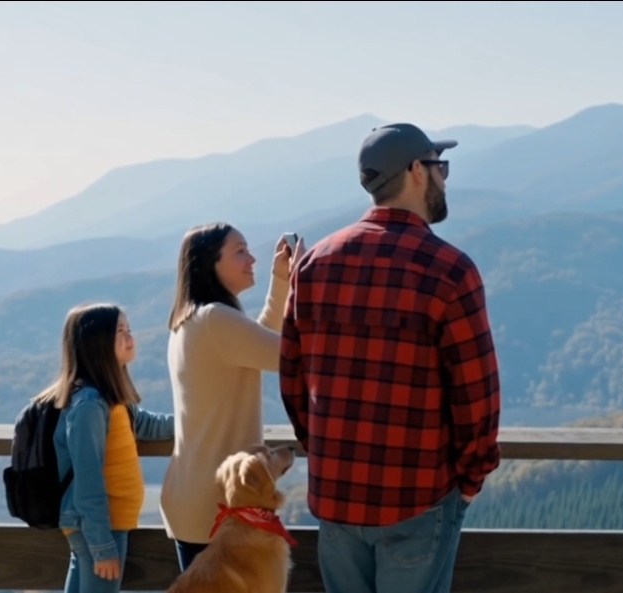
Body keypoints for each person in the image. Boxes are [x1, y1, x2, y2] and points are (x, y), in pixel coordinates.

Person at [279, 123, 502, 593]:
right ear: (417, 172)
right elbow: (476, 398)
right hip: (417, 496)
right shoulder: (450, 271)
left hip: (336, 496)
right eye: (440, 167)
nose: (444, 178)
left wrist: (325, 452)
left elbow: (293, 383)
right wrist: (467, 482)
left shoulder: (314, 264)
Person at [159, 222, 305, 571]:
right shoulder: (215, 320)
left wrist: (282, 281)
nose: (251, 257)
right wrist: (309, 281)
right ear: (211, 263)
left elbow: (262, 341)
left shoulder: (196, 320)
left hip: (197, 499)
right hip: (215, 503)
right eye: (240, 250)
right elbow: (292, 355)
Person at [42, 303, 174, 593]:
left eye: (129, 329)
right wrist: (102, 545)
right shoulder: (89, 404)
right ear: (96, 343)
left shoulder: (109, 397)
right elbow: (88, 479)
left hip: (103, 523)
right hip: (98, 525)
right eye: (120, 331)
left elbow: (145, 425)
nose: (130, 337)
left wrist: (194, 422)